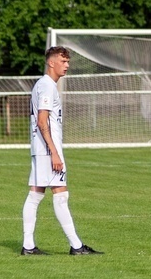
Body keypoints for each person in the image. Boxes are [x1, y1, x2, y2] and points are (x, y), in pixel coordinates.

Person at [21, 46, 102, 255]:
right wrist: (54, 152)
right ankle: (76, 246)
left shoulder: (43, 85)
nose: (67, 66)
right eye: (63, 61)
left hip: (41, 148)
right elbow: (41, 121)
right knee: (60, 195)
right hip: (48, 149)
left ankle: (28, 246)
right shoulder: (47, 86)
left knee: (35, 194)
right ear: (51, 62)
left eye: (68, 62)